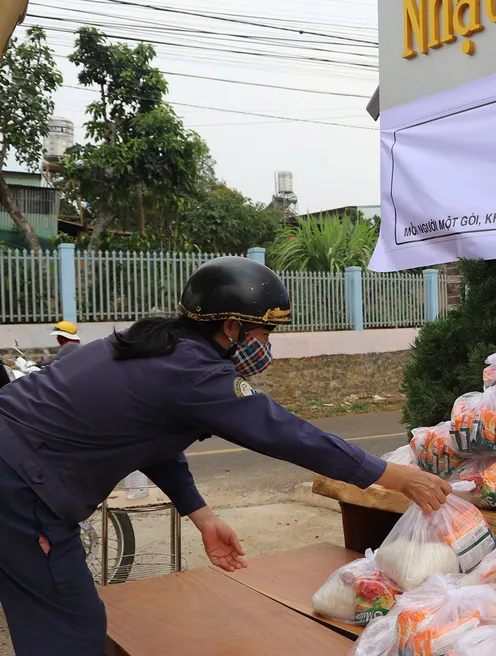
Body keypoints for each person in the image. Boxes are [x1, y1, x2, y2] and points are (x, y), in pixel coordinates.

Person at [0, 256, 452, 655]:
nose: (267, 344)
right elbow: (284, 433)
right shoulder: (196, 373)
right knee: (72, 629)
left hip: (14, 474)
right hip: (21, 490)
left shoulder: (153, 348)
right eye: (265, 330)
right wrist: (392, 475)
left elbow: (155, 443)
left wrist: (202, 516)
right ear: (232, 326)